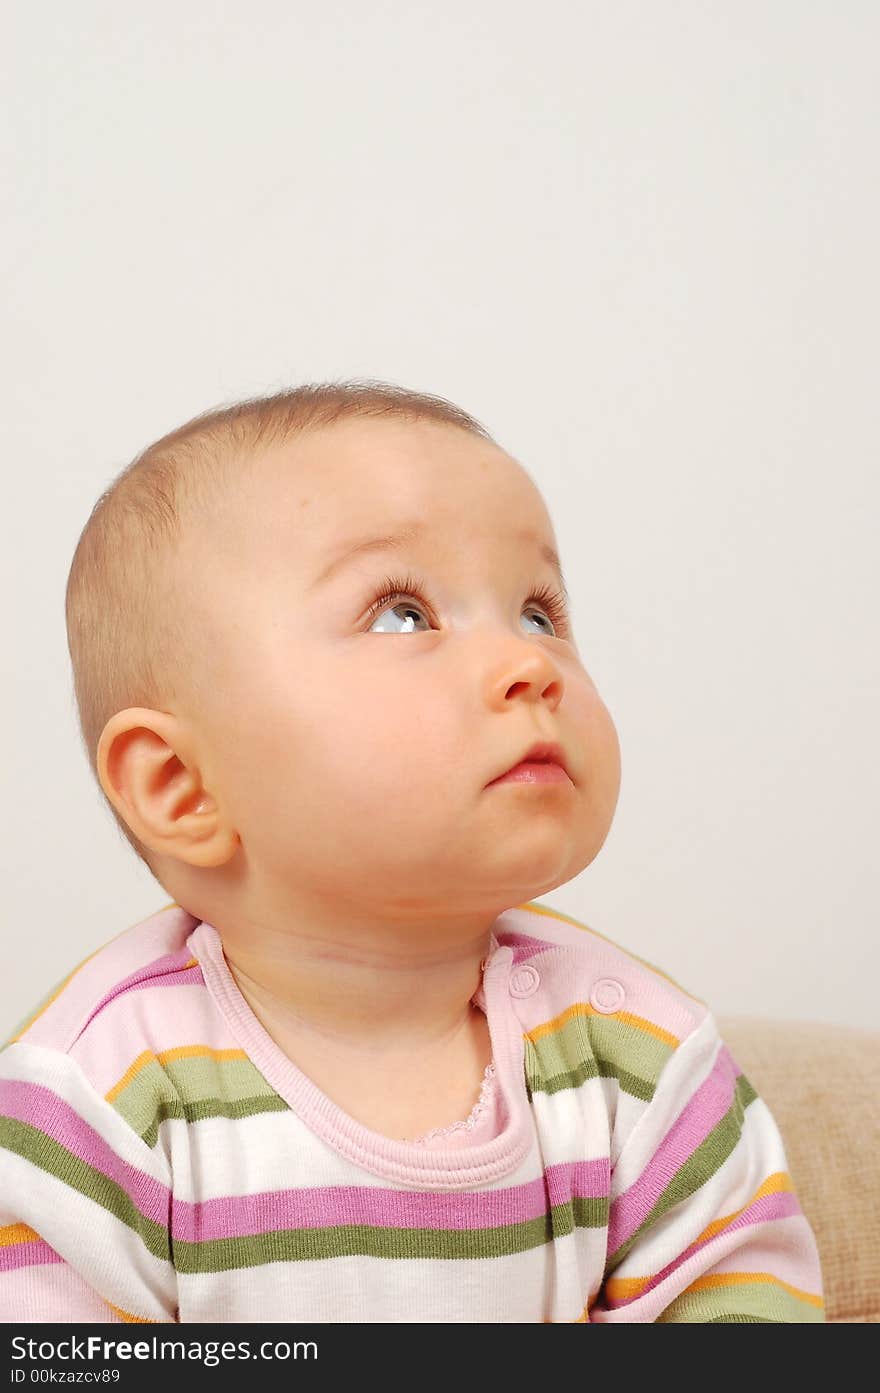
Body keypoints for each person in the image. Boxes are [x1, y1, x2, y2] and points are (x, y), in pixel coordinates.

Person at [0, 381, 824, 1322]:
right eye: (404, 613)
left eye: (539, 613)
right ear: (182, 786)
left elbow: (746, 1295)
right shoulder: (97, 1100)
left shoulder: (637, 1053)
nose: (532, 666)